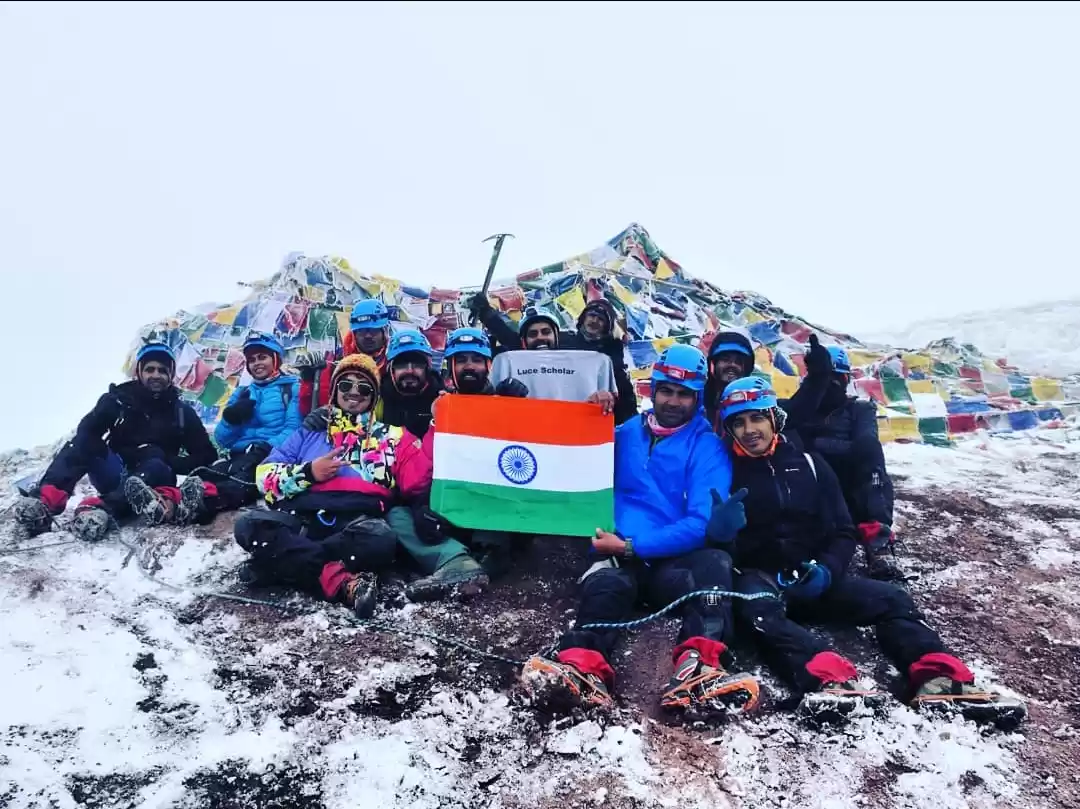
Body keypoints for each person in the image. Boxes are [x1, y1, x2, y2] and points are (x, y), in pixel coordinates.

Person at [710, 376, 1025, 727]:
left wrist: (826, 570)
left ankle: (938, 678)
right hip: (762, 579)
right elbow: (717, 552)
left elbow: (844, 531)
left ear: (774, 418)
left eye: (756, 418)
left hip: (813, 574)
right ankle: (829, 680)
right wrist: (722, 534)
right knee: (757, 612)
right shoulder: (723, 472)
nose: (749, 430)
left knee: (892, 598)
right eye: (738, 422)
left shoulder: (811, 465)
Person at [520, 345, 760, 719]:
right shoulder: (623, 433)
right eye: (666, 390)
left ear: (697, 396)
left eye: (684, 394)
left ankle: (700, 669)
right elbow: (566, 449)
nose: (673, 401)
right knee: (607, 583)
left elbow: (700, 523)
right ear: (653, 390)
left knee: (715, 562)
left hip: (672, 564)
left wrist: (631, 546)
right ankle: (581, 665)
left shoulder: (708, 447)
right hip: (616, 554)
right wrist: (589, 415)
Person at [234, 353, 434, 616]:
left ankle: (277, 565)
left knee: (381, 539)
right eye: (346, 385)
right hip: (301, 518)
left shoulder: (394, 436)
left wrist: (436, 425)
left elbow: (418, 480)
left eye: (364, 388)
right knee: (247, 524)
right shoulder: (309, 431)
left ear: (374, 396)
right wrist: (308, 473)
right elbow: (264, 475)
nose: (354, 392)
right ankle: (339, 580)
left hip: (356, 525)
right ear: (335, 390)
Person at [303, 329, 491, 602]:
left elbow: (481, 409)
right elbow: (352, 410)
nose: (410, 371)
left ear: (428, 367)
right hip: (393, 483)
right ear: (391, 368)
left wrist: (510, 395)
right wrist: (326, 413)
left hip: (438, 482)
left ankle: (460, 561)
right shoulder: (378, 397)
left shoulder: (444, 398)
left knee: (409, 518)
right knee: (387, 517)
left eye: (417, 364)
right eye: (402, 364)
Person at [12, 343, 219, 540]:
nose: (156, 375)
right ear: (139, 372)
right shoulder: (120, 400)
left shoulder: (182, 413)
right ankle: (45, 503)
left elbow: (207, 455)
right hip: (116, 472)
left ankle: (101, 509)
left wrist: (170, 461)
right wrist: (101, 417)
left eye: (162, 370)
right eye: (150, 369)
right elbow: (86, 433)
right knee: (81, 443)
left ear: (171, 375)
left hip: (155, 480)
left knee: (155, 463)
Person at [782, 345, 901, 580]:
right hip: (812, 487)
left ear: (846, 380)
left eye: (836, 378)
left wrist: (816, 444)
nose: (830, 385)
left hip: (850, 488)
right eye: (825, 378)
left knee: (872, 459)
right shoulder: (800, 409)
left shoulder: (860, 409)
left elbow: (865, 446)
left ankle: (878, 540)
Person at [184, 332, 303, 517]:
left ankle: (205, 504)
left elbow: (294, 430)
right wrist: (231, 419)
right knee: (203, 475)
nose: (257, 363)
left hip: (273, 456)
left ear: (276, 359)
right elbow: (222, 440)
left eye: (262, 357)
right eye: (252, 360)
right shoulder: (242, 392)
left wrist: (265, 447)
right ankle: (173, 502)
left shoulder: (292, 388)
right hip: (240, 456)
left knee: (242, 481)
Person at [297, 298, 391, 415]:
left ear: (384, 331)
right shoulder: (335, 363)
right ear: (354, 333)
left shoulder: (393, 366)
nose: (368, 336)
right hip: (338, 424)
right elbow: (308, 410)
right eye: (362, 331)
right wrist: (308, 382)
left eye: (373, 331)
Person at [576, 299, 638, 425]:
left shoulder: (613, 355)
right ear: (583, 318)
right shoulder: (564, 343)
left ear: (607, 326)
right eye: (592, 315)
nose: (594, 321)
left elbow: (625, 397)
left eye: (601, 319)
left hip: (599, 419)